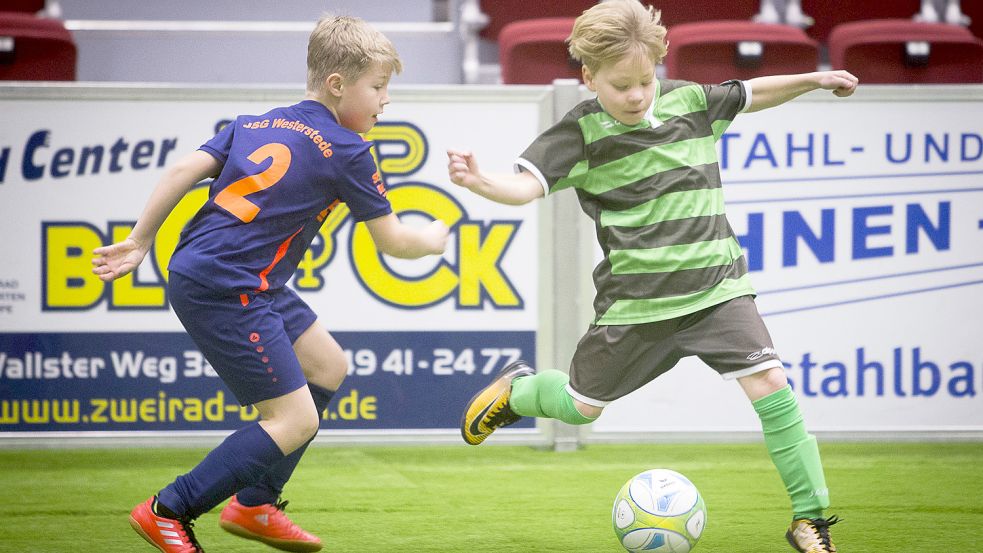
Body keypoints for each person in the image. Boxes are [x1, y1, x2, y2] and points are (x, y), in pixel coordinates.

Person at [447, 1, 856, 552]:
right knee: (578, 408)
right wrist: (478, 182)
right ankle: (519, 391)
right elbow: (523, 187)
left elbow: (751, 93)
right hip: (636, 307)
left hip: (718, 290)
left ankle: (810, 519)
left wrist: (814, 78)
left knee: (771, 385)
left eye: (646, 80)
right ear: (588, 77)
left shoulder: (688, 101)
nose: (638, 95)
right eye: (622, 86)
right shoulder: (580, 133)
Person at [93, 15, 448, 553]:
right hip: (228, 284)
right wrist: (436, 238)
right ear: (336, 85)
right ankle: (169, 510)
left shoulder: (257, 123)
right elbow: (395, 242)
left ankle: (255, 504)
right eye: (377, 87)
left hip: (218, 272)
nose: (385, 100)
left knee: (328, 365)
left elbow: (178, 173)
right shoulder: (348, 149)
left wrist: (141, 242)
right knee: (293, 418)